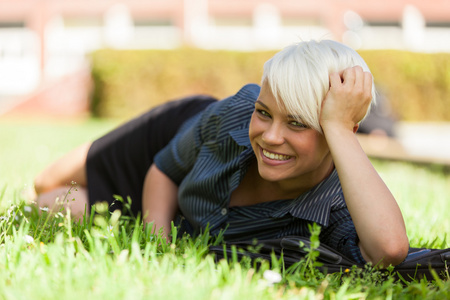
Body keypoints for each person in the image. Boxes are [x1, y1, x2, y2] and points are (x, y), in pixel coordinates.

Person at [34, 39, 409, 267]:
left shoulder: (338, 202)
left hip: (178, 208)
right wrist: (157, 248)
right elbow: (163, 170)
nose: (271, 137)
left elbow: (389, 250)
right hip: (174, 141)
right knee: (45, 183)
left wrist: (340, 129)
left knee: (55, 204)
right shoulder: (237, 111)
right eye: (264, 113)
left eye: (297, 123)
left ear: (338, 129)